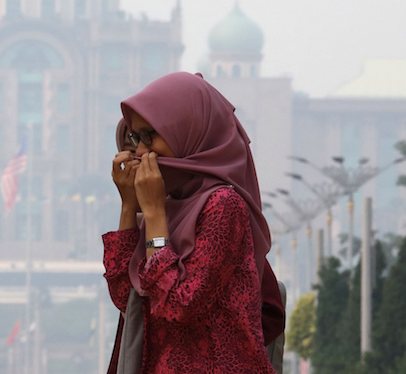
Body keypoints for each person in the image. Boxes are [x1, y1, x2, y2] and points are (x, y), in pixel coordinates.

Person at [103, 72, 285, 373]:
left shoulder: (223, 205)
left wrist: (155, 215)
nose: (141, 151)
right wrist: (129, 206)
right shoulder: (168, 206)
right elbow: (128, 299)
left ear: (187, 132)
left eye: (151, 135)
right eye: (136, 138)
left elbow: (178, 305)